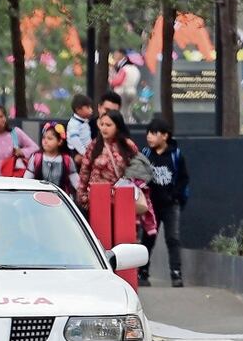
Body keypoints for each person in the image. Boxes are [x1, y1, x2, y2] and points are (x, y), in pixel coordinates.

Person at [140, 118, 190, 288]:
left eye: (154, 133)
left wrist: (175, 195)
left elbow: (184, 178)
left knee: (172, 238)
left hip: (170, 205)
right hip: (151, 205)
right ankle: (142, 272)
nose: (149, 136)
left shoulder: (176, 155)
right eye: (148, 133)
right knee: (148, 237)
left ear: (165, 136)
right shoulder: (146, 154)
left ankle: (176, 273)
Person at [77, 109, 140, 210]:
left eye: (108, 125)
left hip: (122, 197)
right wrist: (82, 196)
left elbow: (138, 171)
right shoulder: (94, 145)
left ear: (117, 126)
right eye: (102, 124)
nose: (104, 128)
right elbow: (84, 171)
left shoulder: (128, 145)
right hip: (97, 198)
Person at [24, 122, 80, 195]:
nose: (45, 141)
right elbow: (27, 180)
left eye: (49, 138)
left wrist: (82, 193)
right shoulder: (36, 158)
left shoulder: (67, 159)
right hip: (38, 197)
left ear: (60, 141)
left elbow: (75, 180)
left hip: (60, 198)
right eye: (44, 138)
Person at [65, 94, 94, 165]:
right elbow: (75, 140)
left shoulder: (84, 121)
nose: (91, 110)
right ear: (78, 110)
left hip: (86, 149)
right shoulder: (73, 123)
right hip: (77, 151)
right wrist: (84, 153)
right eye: (88, 107)